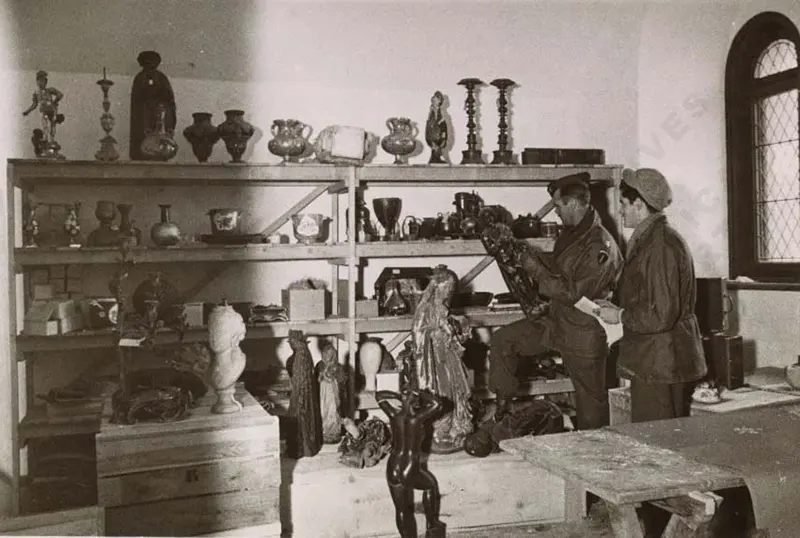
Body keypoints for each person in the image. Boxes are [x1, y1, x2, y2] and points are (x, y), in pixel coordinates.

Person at [487, 172, 623, 430]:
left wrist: (535, 269)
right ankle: (502, 415)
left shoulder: (600, 244)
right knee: (503, 340)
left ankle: (594, 459)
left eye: (558, 206)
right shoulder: (573, 234)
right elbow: (561, 268)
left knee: (591, 410)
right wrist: (529, 256)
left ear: (572, 203)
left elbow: (574, 291)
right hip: (556, 322)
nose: (556, 213)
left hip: (584, 330)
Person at [598, 168, 706, 422]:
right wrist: (614, 303)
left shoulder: (659, 245)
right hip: (657, 359)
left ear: (639, 204)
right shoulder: (652, 239)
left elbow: (661, 315)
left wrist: (620, 315)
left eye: (624, 204)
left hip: (660, 363)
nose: (620, 211)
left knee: (658, 444)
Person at [377, 388, 446, 538]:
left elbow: (379, 395)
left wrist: (397, 395)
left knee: (401, 510)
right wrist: (419, 393)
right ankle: (432, 523)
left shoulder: (394, 414)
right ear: (416, 401)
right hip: (409, 465)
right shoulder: (417, 418)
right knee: (431, 486)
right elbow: (436, 403)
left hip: (393, 465)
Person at [22, 70, 64, 145]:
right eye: (39, 80)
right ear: (37, 82)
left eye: (43, 80)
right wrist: (27, 111)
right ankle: (45, 138)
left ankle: (51, 139)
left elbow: (60, 94)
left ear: (46, 82)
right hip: (43, 110)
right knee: (45, 124)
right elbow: (34, 104)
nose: (41, 82)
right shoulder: (36, 93)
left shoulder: (50, 90)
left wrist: (55, 101)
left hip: (52, 109)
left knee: (53, 123)